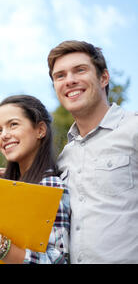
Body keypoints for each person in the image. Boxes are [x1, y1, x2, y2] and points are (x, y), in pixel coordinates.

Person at [47, 40, 138, 263]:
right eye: (60, 76)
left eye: (80, 70)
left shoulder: (133, 129)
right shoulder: (64, 158)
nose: (69, 80)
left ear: (103, 78)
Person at [0, 95, 70, 264]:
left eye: (13, 125)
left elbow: (57, 260)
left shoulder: (50, 185)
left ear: (40, 130)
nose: (4, 135)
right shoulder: (3, 186)